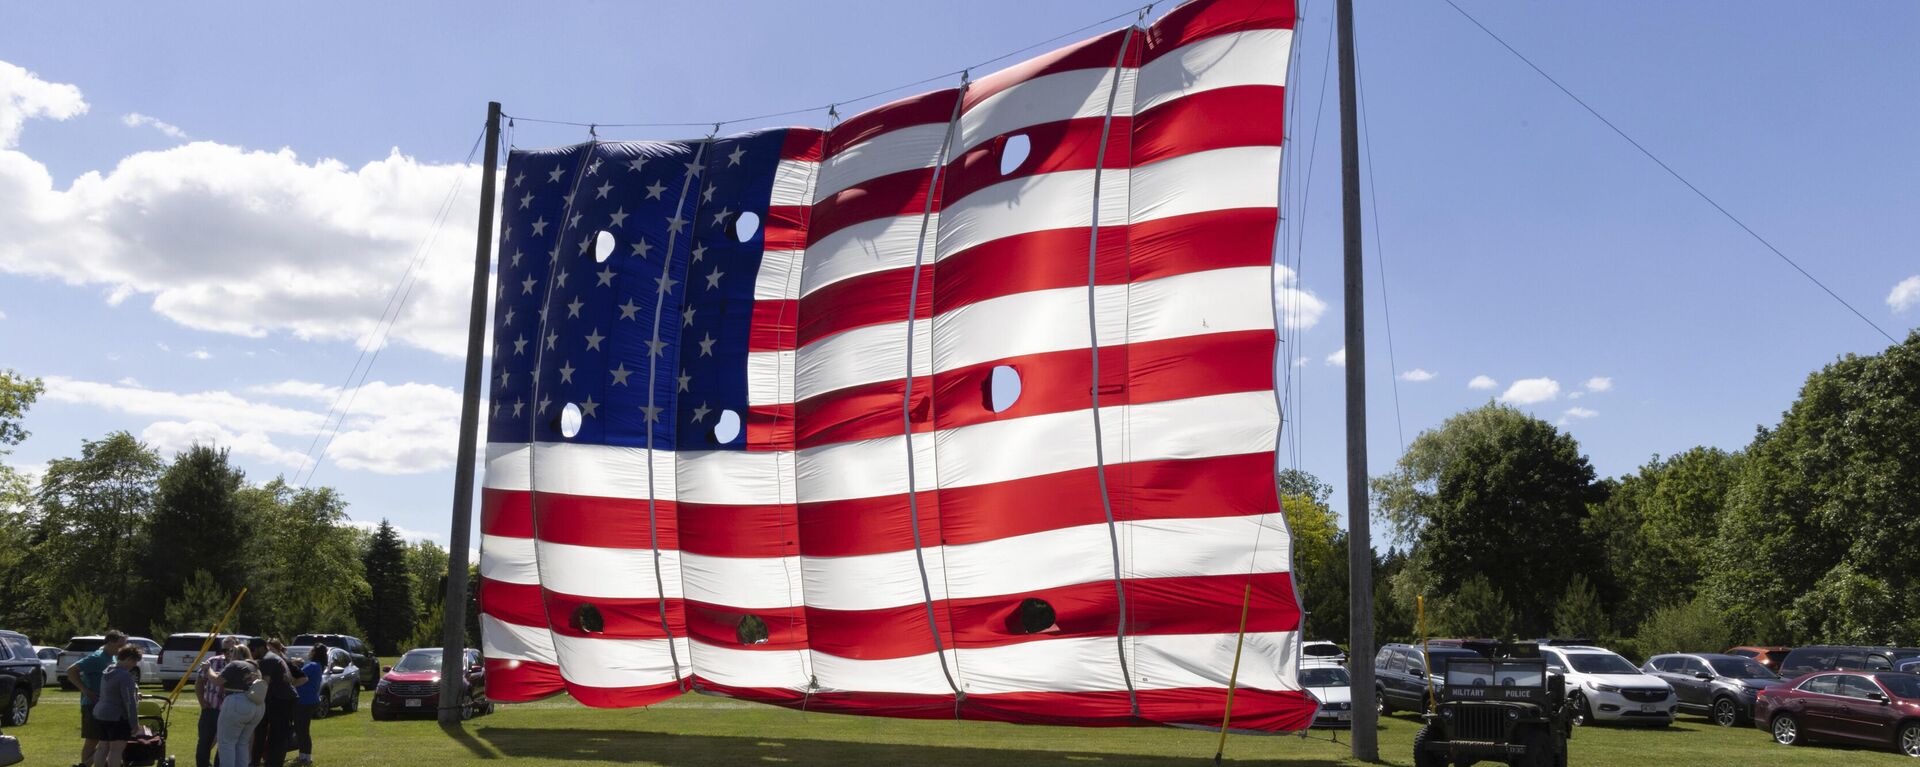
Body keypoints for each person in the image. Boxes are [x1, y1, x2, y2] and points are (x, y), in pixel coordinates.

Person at [65, 630, 128, 767]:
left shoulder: (113, 658)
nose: (122, 649)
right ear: (110, 642)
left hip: (106, 705)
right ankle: (84, 764)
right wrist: (86, 691)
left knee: (105, 740)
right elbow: (71, 671)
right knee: (92, 740)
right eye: (120, 645)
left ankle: (85, 765)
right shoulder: (97, 657)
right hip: (91, 704)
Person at [89, 645, 145, 767]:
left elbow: (114, 692)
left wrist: (134, 692)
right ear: (129, 659)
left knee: (102, 747)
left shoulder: (108, 671)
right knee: (116, 749)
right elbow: (129, 702)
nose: (134, 665)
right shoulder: (125, 676)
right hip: (116, 716)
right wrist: (134, 724)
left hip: (100, 714)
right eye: (135, 661)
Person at [255, 640, 305, 767]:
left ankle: (272, 763)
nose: (251, 652)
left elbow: (264, 683)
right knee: (274, 734)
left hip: (280, 700)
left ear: (260, 648)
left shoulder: (268, 659)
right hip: (282, 699)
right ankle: (268, 761)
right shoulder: (273, 658)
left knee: (277, 735)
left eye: (252, 649)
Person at [194, 639, 240, 767]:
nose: (226, 653)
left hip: (230, 711)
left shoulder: (240, 665)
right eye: (224, 650)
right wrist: (202, 703)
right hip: (211, 709)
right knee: (204, 742)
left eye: (230, 650)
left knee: (225, 744)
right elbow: (199, 683)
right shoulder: (212, 662)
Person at [215, 658, 264, 767]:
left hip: (237, 701)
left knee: (227, 743)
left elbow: (218, 681)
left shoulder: (235, 664)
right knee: (242, 743)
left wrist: (208, 669)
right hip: (257, 704)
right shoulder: (255, 669)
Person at [289, 646, 326, 766]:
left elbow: (297, 676)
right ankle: (303, 755)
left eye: (311, 650)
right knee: (302, 730)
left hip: (304, 701)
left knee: (302, 730)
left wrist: (293, 665)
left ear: (315, 652)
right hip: (311, 700)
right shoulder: (318, 665)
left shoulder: (312, 665)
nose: (309, 652)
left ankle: (306, 757)